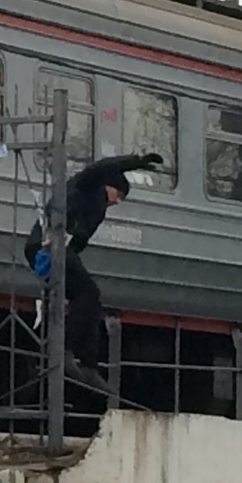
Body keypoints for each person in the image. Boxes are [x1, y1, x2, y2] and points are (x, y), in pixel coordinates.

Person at [24, 152, 163, 390]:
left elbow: (78, 242)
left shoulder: (98, 210)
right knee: (88, 293)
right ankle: (63, 350)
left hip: (59, 249)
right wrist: (134, 162)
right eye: (118, 195)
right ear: (109, 185)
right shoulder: (88, 185)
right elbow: (101, 167)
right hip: (48, 245)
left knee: (90, 300)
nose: (116, 201)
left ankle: (88, 364)